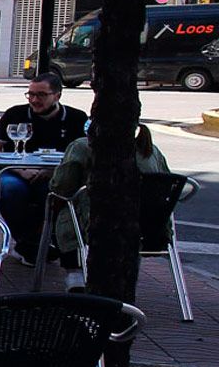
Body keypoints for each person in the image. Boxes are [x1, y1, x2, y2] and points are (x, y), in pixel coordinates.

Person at [49, 122, 170, 292]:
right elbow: (166, 186)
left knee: (64, 204)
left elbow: (62, 186)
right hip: (149, 228)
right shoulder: (151, 150)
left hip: (96, 226)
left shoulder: (82, 147)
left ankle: (75, 274)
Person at [0, 72, 88, 265]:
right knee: (9, 189)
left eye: (41, 95)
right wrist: (21, 170)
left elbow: (83, 153)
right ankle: (29, 242)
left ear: (57, 96)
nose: (34, 99)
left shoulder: (76, 118)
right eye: (30, 94)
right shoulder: (15, 114)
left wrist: (53, 172)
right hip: (17, 172)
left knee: (54, 193)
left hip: (56, 175)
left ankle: (40, 242)